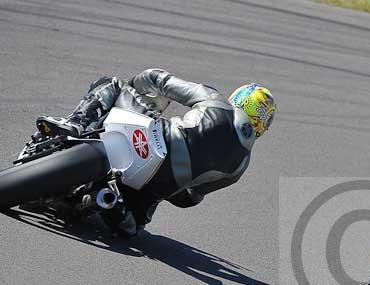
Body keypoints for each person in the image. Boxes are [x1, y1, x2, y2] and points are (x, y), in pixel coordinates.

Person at [34, 69, 276, 236]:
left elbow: (159, 79)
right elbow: (189, 198)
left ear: (240, 99)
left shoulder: (215, 100)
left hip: (152, 141)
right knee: (135, 228)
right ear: (262, 125)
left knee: (112, 84)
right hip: (157, 186)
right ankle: (110, 205)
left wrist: (137, 86)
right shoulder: (241, 165)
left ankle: (75, 123)